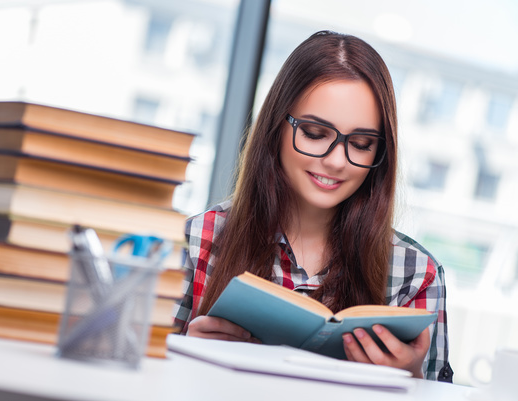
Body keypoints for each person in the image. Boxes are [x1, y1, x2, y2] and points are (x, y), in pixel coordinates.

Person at [173, 30, 453, 382]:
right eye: (315, 134)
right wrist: (180, 356)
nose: (337, 161)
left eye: (362, 143)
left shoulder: (416, 274)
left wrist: (414, 383)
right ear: (277, 126)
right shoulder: (195, 240)